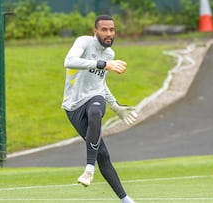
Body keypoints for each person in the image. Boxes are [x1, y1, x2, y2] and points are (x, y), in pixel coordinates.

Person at [62, 15, 137, 203]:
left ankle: (89, 170)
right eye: (104, 29)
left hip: (94, 99)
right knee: (102, 154)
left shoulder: (109, 54)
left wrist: (115, 106)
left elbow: (100, 85)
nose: (109, 33)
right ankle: (124, 198)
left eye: (112, 30)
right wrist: (102, 64)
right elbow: (69, 61)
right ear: (95, 31)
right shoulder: (84, 42)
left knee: (95, 111)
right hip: (73, 106)